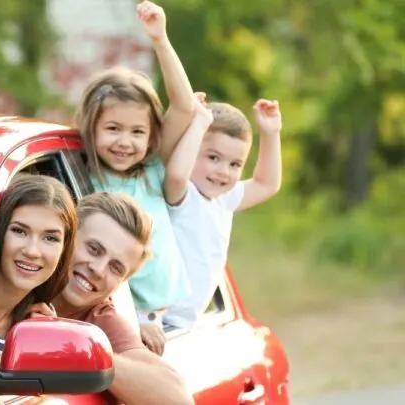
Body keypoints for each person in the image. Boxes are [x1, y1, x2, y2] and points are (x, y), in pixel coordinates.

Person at [73, 0, 195, 353]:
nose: (125, 142)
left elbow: (184, 105)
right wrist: (134, 321)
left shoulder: (153, 169)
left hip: (171, 315)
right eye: (113, 128)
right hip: (130, 315)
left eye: (137, 132)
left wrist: (160, 39)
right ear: (91, 127)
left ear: (151, 136)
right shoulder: (87, 180)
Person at [51, 191, 194, 405]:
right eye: (94, 249)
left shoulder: (100, 319)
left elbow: (179, 401)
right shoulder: (18, 275)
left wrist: (83, 349)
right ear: (67, 234)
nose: (98, 270)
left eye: (115, 268)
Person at [163, 98, 283, 329]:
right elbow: (177, 174)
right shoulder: (183, 194)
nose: (223, 172)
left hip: (185, 323)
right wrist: (197, 122)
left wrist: (271, 133)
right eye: (213, 158)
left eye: (235, 164)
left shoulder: (223, 199)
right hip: (160, 320)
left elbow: (267, 184)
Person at [0, 174, 78, 368]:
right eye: (19, 231)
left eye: (50, 238)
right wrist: (17, 360)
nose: (32, 251)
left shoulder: (34, 327)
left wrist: (40, 346)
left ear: (64, 248)